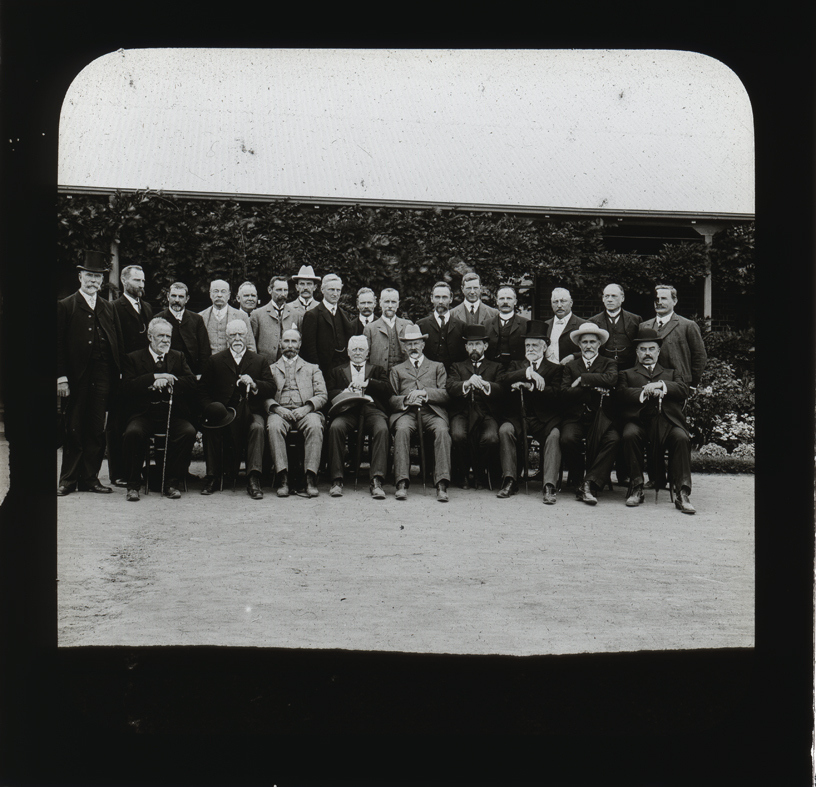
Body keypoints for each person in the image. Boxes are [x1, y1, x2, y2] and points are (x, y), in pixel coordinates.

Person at [57, 250, 125, 496]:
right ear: (80, 276)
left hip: (103, 375)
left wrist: (117, 373)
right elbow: (57, 345)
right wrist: (61, 377)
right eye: (89, 275)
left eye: (98, 276)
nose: (94, 280)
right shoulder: (66, 306)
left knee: (97, 428)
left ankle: (90, 478)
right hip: (76, 378)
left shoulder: (108, 307)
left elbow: (117, 340)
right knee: (73, 426)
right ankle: (67, 479)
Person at [617, 328, 695, 514]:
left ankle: (682, 493)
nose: (647, 353)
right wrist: (645, 392)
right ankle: (637, 487)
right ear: (637, 352)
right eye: (643, 349)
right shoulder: (627, 374)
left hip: (667, 422)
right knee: (629, 434)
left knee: (681, 438)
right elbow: (621, 394)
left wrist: (661, 385)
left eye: (652, 349)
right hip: (639, 422)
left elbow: (684, 389)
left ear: (658, 352)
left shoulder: (671, 373)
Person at [120, 318, 197, 501]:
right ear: (150, 337)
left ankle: (171, 482)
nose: (165, 340)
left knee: (188, 432)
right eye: (160, 336)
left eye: (168, 336)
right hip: (144, 414)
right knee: (133, 433)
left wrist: (170, 380)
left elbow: (191, 382)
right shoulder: (134, 358)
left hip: (172, 414)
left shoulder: (178, 357)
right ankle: (133, 486)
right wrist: (154, 378)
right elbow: (127, 387)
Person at [198, 320, 275, 499]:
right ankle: (213, 476)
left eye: (241, 334)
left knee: (257, 428)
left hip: (251, 411)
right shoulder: (215, 360)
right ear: (227, 337)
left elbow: (271, 387)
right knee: (212, 429)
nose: (237, 338)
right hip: (223, 412)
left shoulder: (258, 360)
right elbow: (202, 391)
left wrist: (254, 383)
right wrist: (211, 409)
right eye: (233, 335)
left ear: (247, 336)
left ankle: (253, 477)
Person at [498, 321, 563, 503]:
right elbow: (504, 379)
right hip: (518, 417)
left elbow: (557, 394)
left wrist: (531, 387)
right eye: (528, 345)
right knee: (504, 430)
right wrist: (528, 373)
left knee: (555, 435)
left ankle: (549, 485)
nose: (531, 348)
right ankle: (510, 480)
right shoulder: (516, 365)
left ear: (544, 347)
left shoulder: (555, 368)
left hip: (544, 419)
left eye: (535, 345)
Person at [388, 323, 452, 502]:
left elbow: (446, 394)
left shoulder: (437, 367)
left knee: (442, 431)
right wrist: (406, 399)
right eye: (409, 344)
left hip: (431, 412)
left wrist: (425, 393)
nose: (413, 347)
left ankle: (441, 483)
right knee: (401, 430)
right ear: (404, 347)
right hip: (407, 413)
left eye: (416, 343)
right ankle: (401, 482)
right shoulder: (397, 370)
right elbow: (391, 399)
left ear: (423, 344)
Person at [325, 335, 392, 499]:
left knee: (382, 429)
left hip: (371, 409)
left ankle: (377, 480)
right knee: (335, 427)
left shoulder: (377, 369)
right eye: (354, 349)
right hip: (347, 410)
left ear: (367, 352)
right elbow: (328, 393)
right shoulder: (337, 370)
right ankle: (337, 479)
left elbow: (387, 390)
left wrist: (367, 384)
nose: (357, 353)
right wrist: (344, 392)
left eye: (361, 349)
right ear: (348, 352)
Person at [560, 323, 620, 505]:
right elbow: (564, 393)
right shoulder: (571, 366)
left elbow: (611, 379)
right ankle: (578, 478)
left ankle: (590, 481)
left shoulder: (609, 363)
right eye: (584, 342)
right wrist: (593, 386)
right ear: (579, 345)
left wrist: (582, 380)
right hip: (576, 417)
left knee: (614, 440)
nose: (588, 346)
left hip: (600, 417)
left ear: (599, 344)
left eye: (592, 342)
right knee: (567, 439)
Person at [107, 264, 154, 486]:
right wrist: (119, 371)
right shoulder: (114, 307)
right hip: (123, 374)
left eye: (143, 281)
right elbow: (114, 342)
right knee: (118, 424)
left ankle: (136, 469)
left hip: (143, 374)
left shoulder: (147, 308)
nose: (141, 285)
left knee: (140, 420)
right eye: (137, 281)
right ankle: (118, 473)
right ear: (125, 282)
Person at [266, 329, 328, 498]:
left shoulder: (312, 368)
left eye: (294, 342)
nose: (290, 345)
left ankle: (310, 478)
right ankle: (283, 478)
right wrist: (277, 408)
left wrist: (307, 407)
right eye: (286, 341)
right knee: (273, 426)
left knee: (315, 425)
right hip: (280, 411)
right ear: (280, 344)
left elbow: (322, 395)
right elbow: (264, 396)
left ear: (300, 344)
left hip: (306, 411)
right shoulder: (270, 369)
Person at [446, 324, 504, 489]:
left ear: (485, 346)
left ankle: (480, 474)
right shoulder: (457, 366)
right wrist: (467, 383)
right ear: (465, 347)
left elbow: (501, 388)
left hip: (486, 413)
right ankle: (463, 475)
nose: (474, 348)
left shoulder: (496, 366)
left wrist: (485, 385)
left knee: (491, 438)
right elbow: (450, 386)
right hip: (462, 412)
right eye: (470, 344)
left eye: (477, 344)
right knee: (457, 435)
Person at [639, 284, 708, 389]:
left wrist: (693, 385)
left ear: (675, 301)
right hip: (649, 384)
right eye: (657, 299)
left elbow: (699, 356)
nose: (659, 302)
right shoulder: (644, 326)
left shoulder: (688, 325)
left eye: (664, 299)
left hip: (678, 385)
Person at [301, 273, 353, 378]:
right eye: (331, 290)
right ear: (323, 290)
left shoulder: (344, 314)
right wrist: (318, 371)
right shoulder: (312, 315)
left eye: (338, 290)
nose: (335, 294)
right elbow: (309, 349)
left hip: (342, 370)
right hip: (323, 371)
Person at [154, 281, 212, 376]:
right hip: (167, 373)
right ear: (168, 296)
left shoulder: (197, 319)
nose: (177, 300)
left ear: (187, 299)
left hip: (192, 373)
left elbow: (204, 350)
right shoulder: (159, 319)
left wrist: (201, 373)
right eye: (173, 296)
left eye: (181, 297)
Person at [588, 283, 642, 371]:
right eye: (607, 296)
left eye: (614, 296)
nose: (609, 300)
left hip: (630, 368)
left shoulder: (635, 320)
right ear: (602, 299)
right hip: (602, 369)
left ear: (622, 298)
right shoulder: (593, 322)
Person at [416, 281, 467, 371]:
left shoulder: (461, 326)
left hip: (454, 377)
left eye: (444, 297)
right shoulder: (421, 325)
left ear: (451, 298)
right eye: (437, 297)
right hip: (428, 376)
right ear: (431, 298)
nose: (440, 301)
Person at [199, 279, 256, 355]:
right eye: (216, 291)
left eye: (223, 291)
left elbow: (251, 346)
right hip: (209, 364)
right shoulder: (201, 316)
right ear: (210, 294)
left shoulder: (242, 316)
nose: (219, 295)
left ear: (228, 295)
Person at [251, 274, 298, 364]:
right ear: (270, 290)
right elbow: (252, 344)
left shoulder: (296, 315)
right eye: (279, 290)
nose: (283, 294)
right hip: (265, 365)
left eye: (285, 290)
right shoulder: (257, 314)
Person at [363, 287, 411, 372]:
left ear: (398, 304)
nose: (390, 306)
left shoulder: (408, 325)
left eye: (393, 302)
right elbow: (365, 358)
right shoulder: (370, 328)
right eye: (386, 302)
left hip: (404, 377)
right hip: (380, 377)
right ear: (380, 303)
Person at [484, 285, 529, 369]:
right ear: (497, 301)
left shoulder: (525, 324)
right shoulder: (486, 324)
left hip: (517, 370)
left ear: (515, 301)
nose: (505, 302)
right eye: (501, 298)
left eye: (509, 298)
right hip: (492, 371)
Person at [545, 287, 583, 365]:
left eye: (563, 301)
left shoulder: (581, 325)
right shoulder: (545, 325)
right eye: (555, 302)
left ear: (571, 303)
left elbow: (593, 350)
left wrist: (574, 356)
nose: (559, 305)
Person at [285, 264, 321, 330]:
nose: (305, 288)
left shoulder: (321, 308)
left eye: (309, 284)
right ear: (297, 287)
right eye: (302, 284)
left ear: (315, 287)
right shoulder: (288, 308)